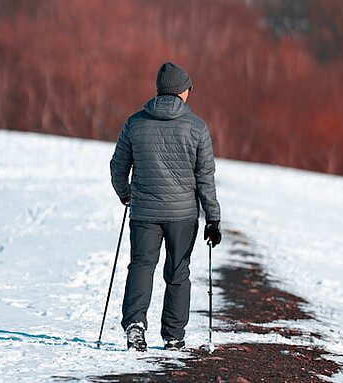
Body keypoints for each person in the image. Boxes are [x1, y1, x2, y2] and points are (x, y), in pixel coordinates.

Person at [110, 61, 222, 351]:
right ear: (182, 91)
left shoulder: (135, 123)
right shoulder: (197, 128)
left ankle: (135, 325)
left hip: (144, 212)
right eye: (188, 89)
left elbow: (118, 167)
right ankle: (173, 336)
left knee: (141, 267)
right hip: (182, 216)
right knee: (178, 271)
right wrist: (213, 219)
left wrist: (126, 194)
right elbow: (205, 178)